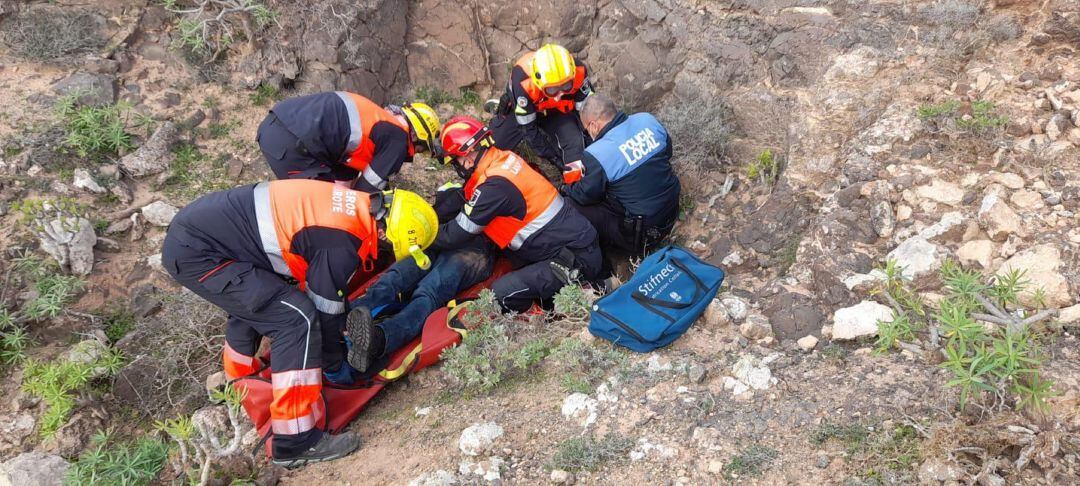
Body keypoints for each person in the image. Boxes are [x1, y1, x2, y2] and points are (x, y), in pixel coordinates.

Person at [161, 180, 438, 468]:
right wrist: (334, 363)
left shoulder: (353, 205)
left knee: (257, 309)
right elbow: (323, 309)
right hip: (201, 252)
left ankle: (240, 387)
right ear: (383, 233)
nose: (386, 252)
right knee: (295, 318)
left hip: (204, 235)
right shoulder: (343, 241)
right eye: (391, 248)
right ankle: (295, 440)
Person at [432, 115, 601, 313]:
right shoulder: (502, 159)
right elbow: (466, 196)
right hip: (574, 243)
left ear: (468, 157)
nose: (456, 166)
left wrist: (422, 237)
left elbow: (457, 233)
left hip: (573, 259)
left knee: (500, 293)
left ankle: (548, 313)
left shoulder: (492, 186)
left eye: (455, 161)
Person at [561, 93, 681, 261]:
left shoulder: (597, 154)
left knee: (569, 204)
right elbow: (667, 153)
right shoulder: (647, 120)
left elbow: (586, 196)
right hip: (673, 208)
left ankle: (609, 256)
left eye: (587, 129)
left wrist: (567, 188)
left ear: (594, 125)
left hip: (642, 234)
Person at [256, 92, 441, 192]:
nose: (416, 153)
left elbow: (346, 169)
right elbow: (367, 189)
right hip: (294, 144)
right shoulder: (398, 140)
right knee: (323, 211)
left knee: (319, 200)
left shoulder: (375, 118)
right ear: (416, 136)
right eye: (421, 149)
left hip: (273, 128)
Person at [486, 43, 594, 171]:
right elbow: (528, 130)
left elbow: (588, 111)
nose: (558, 95)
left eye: (566, 86)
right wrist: (553, 158)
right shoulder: (523, 80)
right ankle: (502, 110)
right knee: (495, 145)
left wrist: (587, 139)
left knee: (574, 145)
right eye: (552, 89)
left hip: (558, 111)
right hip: (527, 108)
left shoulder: (578, 70)